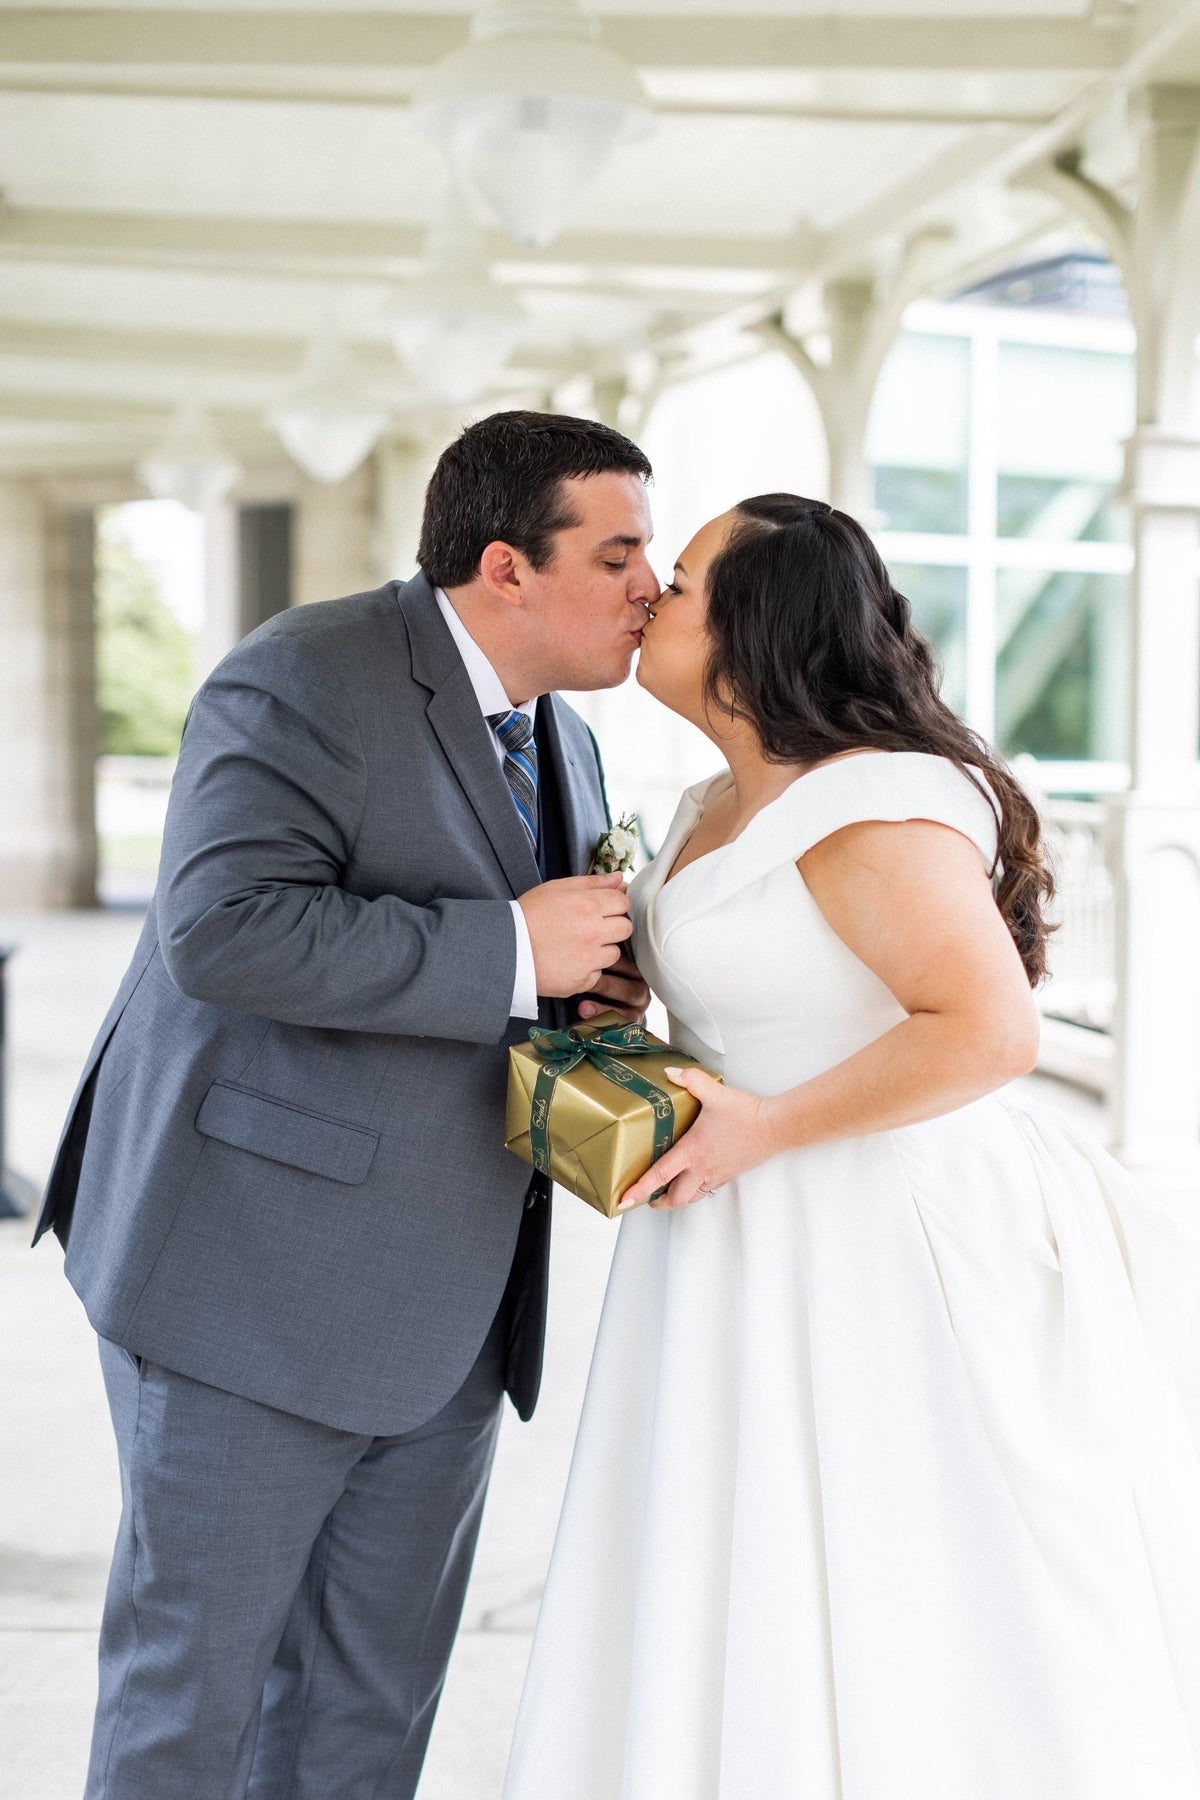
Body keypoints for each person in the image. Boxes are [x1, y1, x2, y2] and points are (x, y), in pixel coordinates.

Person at [503, 494, 1200, 1800]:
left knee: (907, 1566)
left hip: (873, 1229)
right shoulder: (719, 795)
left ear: (761, 623)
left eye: (690, 576)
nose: (655, 590)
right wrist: (632, 1010)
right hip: (733, 1229)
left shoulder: (871, 802)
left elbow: (988, 1032)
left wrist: (761, 1125)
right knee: (738, 1558)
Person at [33, 409, 656, 1800]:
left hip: (450, 1317)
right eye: (619, 553)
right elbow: (224, 931)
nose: (650, 587)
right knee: (194, 1697)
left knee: (372, 1712)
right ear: (508, 565)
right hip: (243, 1285)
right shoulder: (303, 673)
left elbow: (527, 962)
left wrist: (583, 1003)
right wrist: (509, 948)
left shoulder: (569, 739)